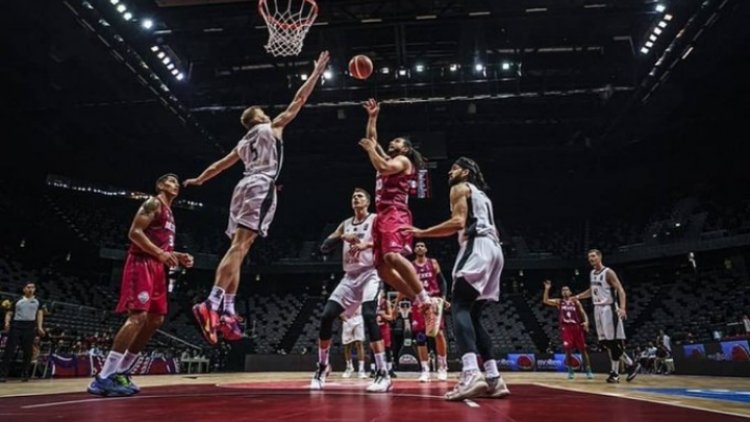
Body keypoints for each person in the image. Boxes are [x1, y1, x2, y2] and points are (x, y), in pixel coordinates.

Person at [185, 51, 331, 345]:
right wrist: (316, 73)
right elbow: (299, 101)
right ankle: (211, 303)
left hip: (241, 187)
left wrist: (199, 179)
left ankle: (227, 309)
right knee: (240, 246)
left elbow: (220, 165)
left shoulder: (242, 142)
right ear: (259, 118)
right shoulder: (271, 127)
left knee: (239, 248)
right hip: (261, 185)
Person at [404, 157, 509, 401]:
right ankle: (494, 378)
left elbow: (458, 222)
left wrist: (423, 232)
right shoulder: (482, 195)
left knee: (460, 306)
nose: (449, 172)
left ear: (465, 171)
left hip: (476, 247)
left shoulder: (459, 188)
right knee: (473, 315)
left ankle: (471, 373)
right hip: (495, 251)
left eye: (453, 168)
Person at [88, 174, 194, 397]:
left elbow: (159, 245)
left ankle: (122, 371)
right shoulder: (153, 203)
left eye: (176, 182)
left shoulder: (170, 213)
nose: (174, 184)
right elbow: (134, 233)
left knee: (156, 319)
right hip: (141, 263)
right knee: (138, 317)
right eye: (169, 181)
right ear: (159, 185)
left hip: (157, 266)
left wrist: (177, 255)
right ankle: (103, 377)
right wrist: (159, 253)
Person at [358, 98, 441, 339]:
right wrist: (372, 117)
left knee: (392, 256)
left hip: (395, 212)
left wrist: (371, 150)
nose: (390, 142)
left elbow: (382, 165)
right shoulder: (389, 159)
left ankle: (426, 299)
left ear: (404, 149)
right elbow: (372, 141)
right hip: (382, 216)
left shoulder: (402, 161)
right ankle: (422, 302)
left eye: (396, 141)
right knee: (383, 270)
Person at [311, 188, 391, 393]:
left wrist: (366, 245)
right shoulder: (345, 224)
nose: (355, 198)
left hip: (369, 274)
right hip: (350, 277)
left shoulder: (375, 219)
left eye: (360, 196)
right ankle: (322, 366)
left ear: (368, 202)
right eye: (353, 196)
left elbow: (386, 243)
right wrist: (340, 237)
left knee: (369, 315)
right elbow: (324, 247)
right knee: (327, 316)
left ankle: (383, 372)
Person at [575, 249, 639, 383]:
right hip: (597, 308)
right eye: (589, 257)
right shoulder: (592, 273)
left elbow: (621, 290)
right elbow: (592, 291)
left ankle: (615, 373)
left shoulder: (608, 272)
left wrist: (622, 308)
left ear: (599, 257)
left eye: (593, 256)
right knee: (604, 342)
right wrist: (578, 296)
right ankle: (631, 365)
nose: (590, 259)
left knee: (613, 341)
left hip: (609, 308)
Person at [409, 242, 449, 382]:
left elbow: (443, 282)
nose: (419, 247)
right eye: (417, 246)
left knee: (438, 333)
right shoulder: (411, 266)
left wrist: (443, 298)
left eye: (422, 246)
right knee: (420, 337)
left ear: (426, 249)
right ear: (414, 250)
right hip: (419, 303)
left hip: (433, 301)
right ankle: (425, 370)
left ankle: (442, 367)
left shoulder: (433, 262)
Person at [542, 280, 594, 380]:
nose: (565, 291)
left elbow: (583, 313)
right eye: (563, 290)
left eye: (567, 290)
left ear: (570, 292)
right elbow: (545, 300)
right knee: (568, 350)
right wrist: (547, 289)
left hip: (577, 327)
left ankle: (588, 370)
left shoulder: (575, 301)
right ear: (562, 293)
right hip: (566, 328)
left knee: (583, 350)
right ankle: (570, 370)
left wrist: (586, 322)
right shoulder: (559, 302)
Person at [0, 282, 45, 382]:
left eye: (33, 288)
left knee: (28, 352)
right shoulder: (17, 300)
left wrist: (40, 327)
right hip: (16, 326)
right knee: (9, 351)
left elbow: (40, 314)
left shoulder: (38, 301)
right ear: (24, 289)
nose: (31, 289)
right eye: (28, 287)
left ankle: (25, 374)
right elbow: (9, 313)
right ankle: (3, 374)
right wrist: (7, 322)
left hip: (29, 327)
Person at [340, 305, 367, 379]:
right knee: (347, 345)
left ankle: (361, 370)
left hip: (358, 318)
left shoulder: (361, 294)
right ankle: (349, 367)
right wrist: (341, 315)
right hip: (347, 318)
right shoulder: (344, 294)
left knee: (359, 343)